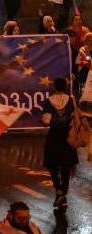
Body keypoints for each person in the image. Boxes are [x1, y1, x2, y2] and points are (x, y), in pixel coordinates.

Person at [41, 78, 78, 211]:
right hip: (68, 137)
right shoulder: (72, 100)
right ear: (66, 86)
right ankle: (63, 192)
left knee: (52, 165)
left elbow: (46, 122)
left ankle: (59, 191)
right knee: (66, 166)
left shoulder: (47, 102)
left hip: (54, 137)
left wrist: (51, 121)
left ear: (54, 87)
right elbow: (74, 117)